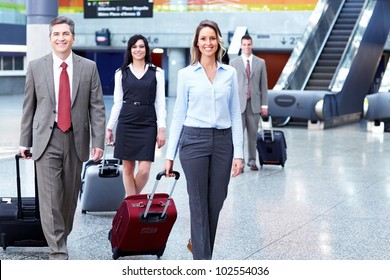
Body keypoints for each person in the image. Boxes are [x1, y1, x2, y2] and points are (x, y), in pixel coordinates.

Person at [19, 16, 106, 260]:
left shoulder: (88, 67)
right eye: (56, 34)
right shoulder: (36, 66)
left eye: (65, 34)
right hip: (46, 139)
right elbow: (29, 107)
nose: (61, 38)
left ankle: (62, 235)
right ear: (50, 39)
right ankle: (58, 248)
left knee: (69, 196)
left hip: (75, 138)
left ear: (73, 37)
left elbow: (97, 107)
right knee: (49, 197)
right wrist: (24, 141)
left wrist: (98, 142)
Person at [164, 19, 243, 260]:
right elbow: (178, 114)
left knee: (217, 198)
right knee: (197, 201)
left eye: (212, 38)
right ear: (196, 43)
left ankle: (197, 242)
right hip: (193, 141)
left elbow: (234, 113)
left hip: (222, 142)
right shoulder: (186, 74)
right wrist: (169, 155)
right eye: (203, 38)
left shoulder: (229, 73)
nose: (207, 43)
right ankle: (202, 260)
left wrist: (238, 152)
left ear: (218, 41)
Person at [106, 34, 166, 197]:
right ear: (130, 50)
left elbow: (160, 104)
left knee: (144, 171)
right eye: (134, 46)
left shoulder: (157, 73)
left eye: (141, 46)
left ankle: (129, 202)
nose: (138, 49)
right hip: (127, 121)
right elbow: (117, 103)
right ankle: (132, 209)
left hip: (148, 123)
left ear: (146, 49)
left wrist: (162, 129)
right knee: (127, 169)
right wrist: (109, 127)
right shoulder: (121, 73)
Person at [229, 34, 268, 171]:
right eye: (244, 44)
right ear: (241, 46)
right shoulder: (233, 63)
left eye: (249, 44)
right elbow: (231, 86)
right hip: (238, 105)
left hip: (255, 105)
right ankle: (240, 161)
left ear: (252, 45)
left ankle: (252, 161)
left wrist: (264, 105)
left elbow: (264, 85)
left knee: (252, 135)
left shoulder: (260, 62)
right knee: (238, 135)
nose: (246, 47)